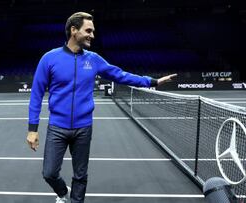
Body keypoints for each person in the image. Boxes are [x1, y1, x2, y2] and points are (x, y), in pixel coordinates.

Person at [27, 12, 177, 203]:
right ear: (74, 31)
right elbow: (36, 95)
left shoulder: (94, 59)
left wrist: (152, 82)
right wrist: (32, 129)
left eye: (93, 31)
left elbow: (121, 75)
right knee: (49, 173)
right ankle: (64, 194)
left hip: (83, 128)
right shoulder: (49, 59)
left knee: (80, 176)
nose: (92, 35)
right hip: (57, 127)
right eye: (88, 30)